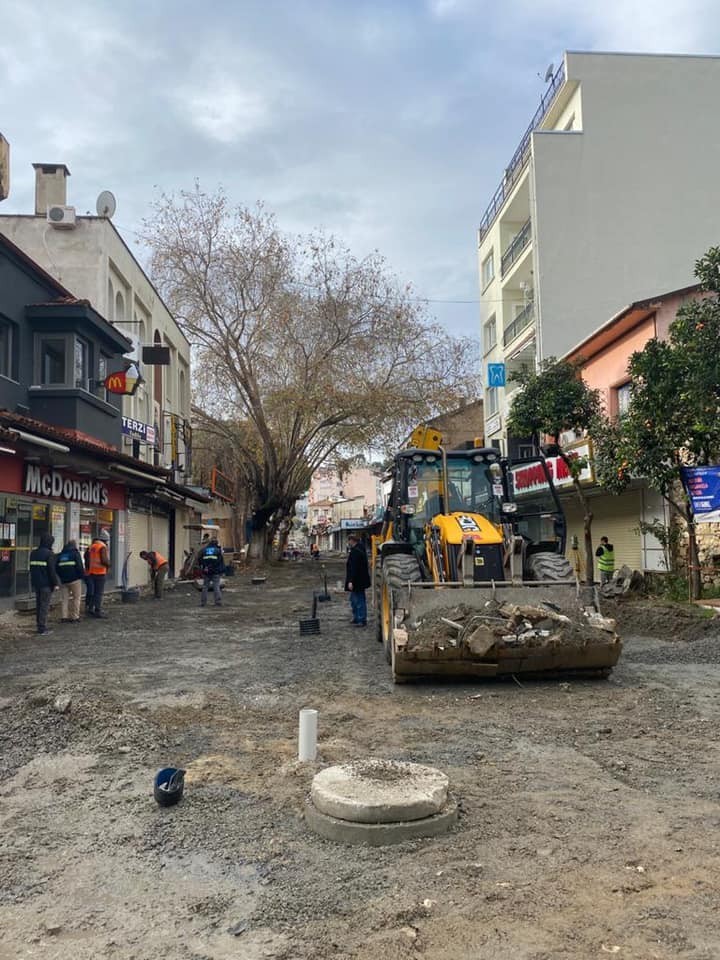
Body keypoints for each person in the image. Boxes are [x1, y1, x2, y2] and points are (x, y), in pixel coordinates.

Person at [29, 533, 60, 635]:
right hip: (46, 584)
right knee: (44, 606)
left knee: (39, 605)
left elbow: (32, 569)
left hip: (36, 583)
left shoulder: (33, 553)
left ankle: (39, 625)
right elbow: (51, 570)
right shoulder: (49, 554)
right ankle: (42, 628)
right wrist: (55, 583)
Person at [56, 539, 85, 623]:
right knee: (76, 598)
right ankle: (75, 617)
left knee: (65, 599)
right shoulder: (75, 553)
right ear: (74, 545)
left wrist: (61, 577)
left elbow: (57, 567)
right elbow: (79, 566)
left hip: (64, 580)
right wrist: (82, 577)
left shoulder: (61, 555)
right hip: (75, 580)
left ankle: (64, 617)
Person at [345, 534, 371, 628]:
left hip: (357, 580)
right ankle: (357, 617)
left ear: (352, 540)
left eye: (349, 541)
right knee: (353, 600)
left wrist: (351, 581)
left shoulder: (356, 551)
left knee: (359, 600)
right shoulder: (359, 549)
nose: (348, 543)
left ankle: (361, 619)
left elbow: (354, 567)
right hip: (359, 579)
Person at [87, 529, 111, 618]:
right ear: (105, 540)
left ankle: (90, 608)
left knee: (93, 592)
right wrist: (109, 564)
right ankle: (98, 611)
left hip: (92, 572)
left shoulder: (93, 546)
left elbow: (87, 558)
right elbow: (104, 560)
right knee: (98, 593)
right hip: (100, 573)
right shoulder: (102, 547)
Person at [198, 536, 224, 607]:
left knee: (205, 586)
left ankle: (203, 603)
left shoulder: (204, 550)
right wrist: (221, 571)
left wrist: (204, 567)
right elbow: (220, 562)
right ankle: (218, 602)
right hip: (215, 571)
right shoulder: (218, 551)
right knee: (216, 586)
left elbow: (199, 560)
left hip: (206, 571)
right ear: (216, 543)